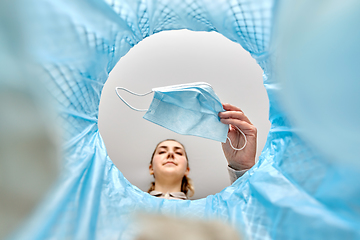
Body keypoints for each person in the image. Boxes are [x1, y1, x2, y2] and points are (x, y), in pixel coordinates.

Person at [148, 103, 257, 200]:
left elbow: (249, 215)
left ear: (187, 169)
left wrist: (241, 168)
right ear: (151, 168)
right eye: (162, 152)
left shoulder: (207, 213)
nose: (170, 154)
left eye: (179, 153)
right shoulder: (131, 205)